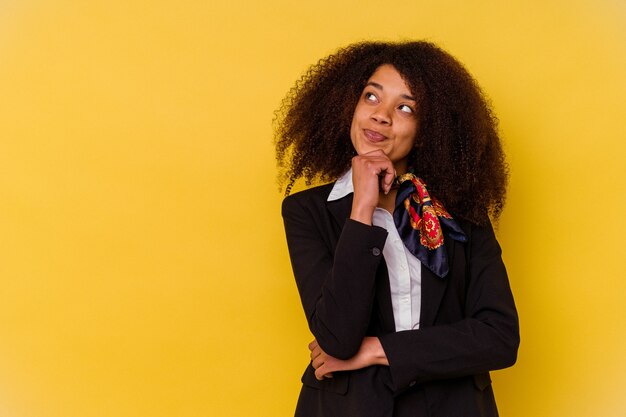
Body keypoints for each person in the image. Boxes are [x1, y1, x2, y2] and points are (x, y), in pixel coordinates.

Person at [274, 41, 519, 417]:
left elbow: (499, 337)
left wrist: (377, 350)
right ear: (349, 106)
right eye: (371, 97)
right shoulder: (306, 212)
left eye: (405, 107)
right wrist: (362, 209)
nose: (381, 116)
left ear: (430, 128)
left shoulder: (463, 217)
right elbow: (336, 338)